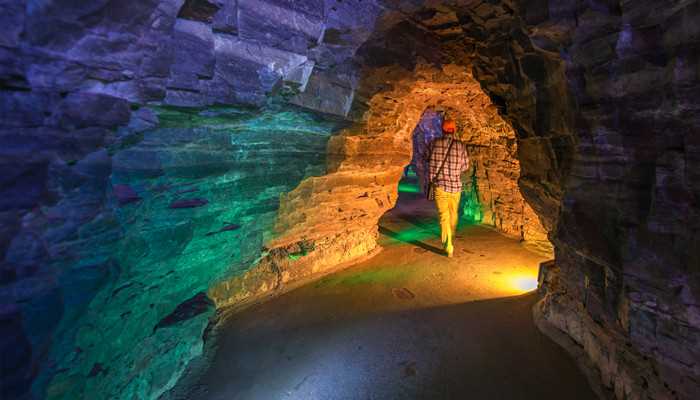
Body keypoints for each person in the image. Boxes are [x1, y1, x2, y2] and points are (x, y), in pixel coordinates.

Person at [424, 119, 469, 257]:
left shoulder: (434, 143)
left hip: (440, 186)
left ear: (442, 130)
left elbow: (425, 157)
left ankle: (448, 245)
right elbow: (465, 166)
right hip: (455, 186)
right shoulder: (460, 146)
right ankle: (451, 232)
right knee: (453, 213)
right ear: (454, 130)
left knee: (444, 215)